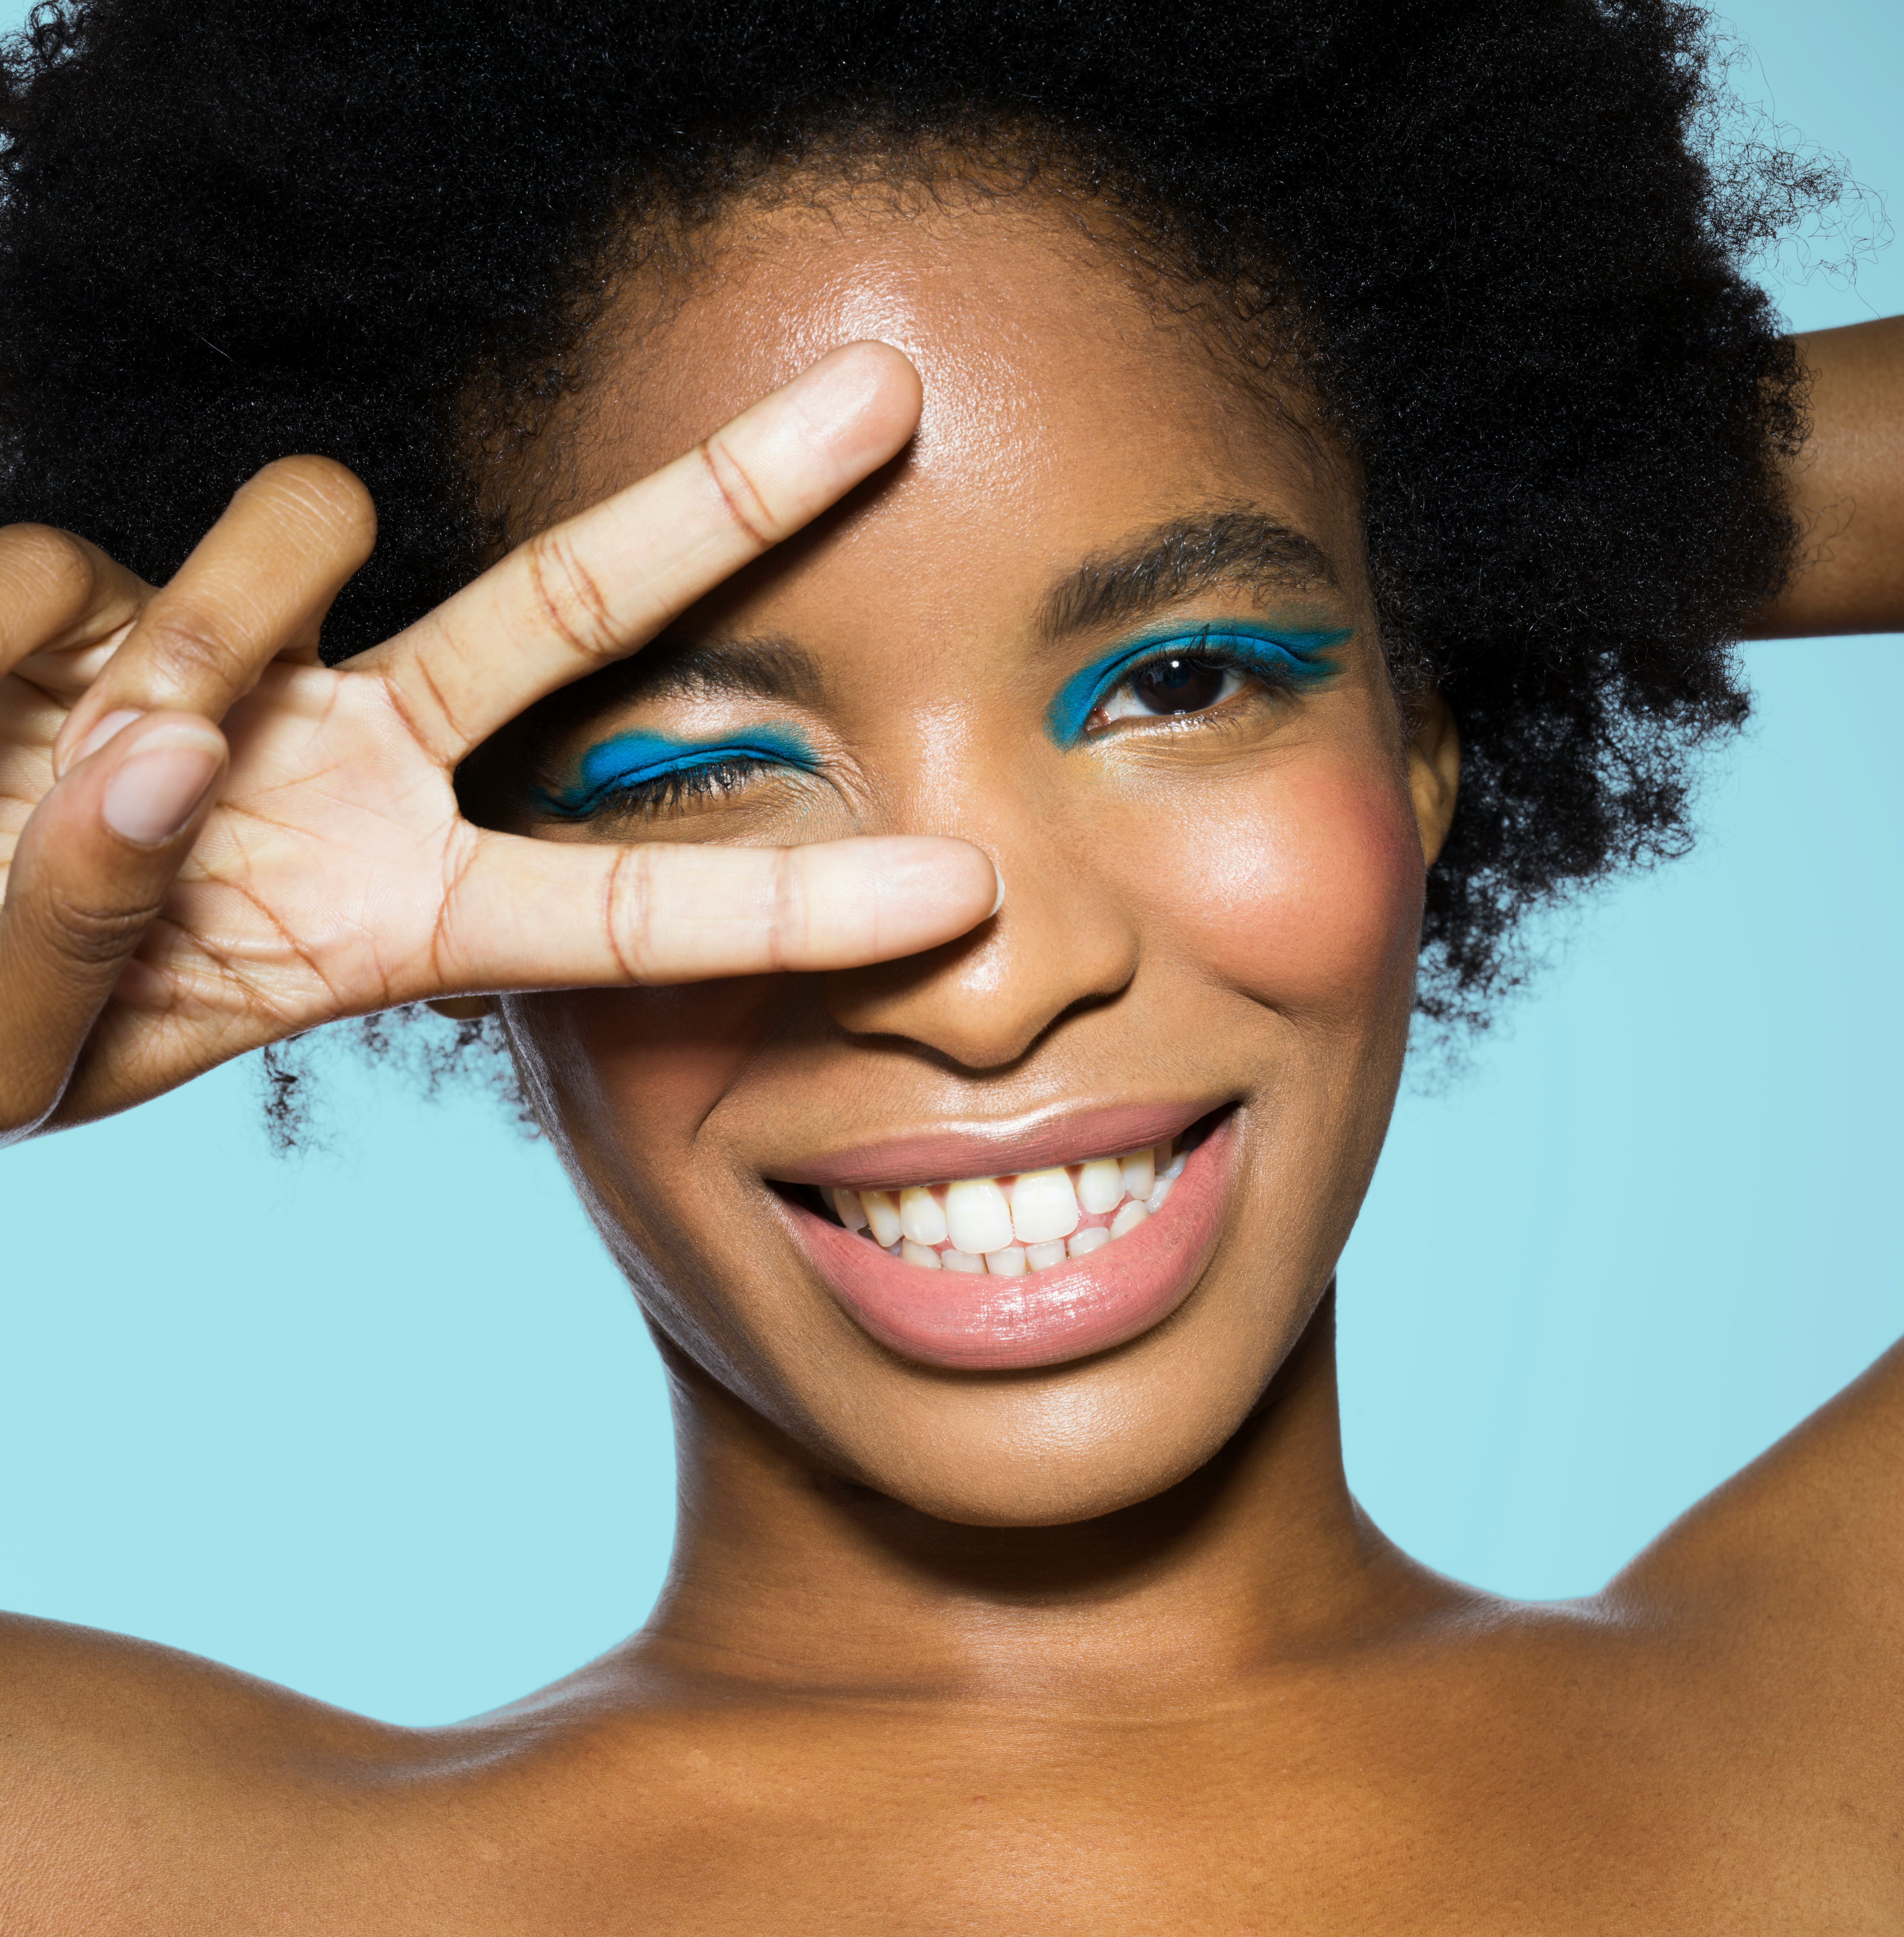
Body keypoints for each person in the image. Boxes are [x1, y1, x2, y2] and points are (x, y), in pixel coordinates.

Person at [1, 0, 1900, 1925]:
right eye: (701, 767)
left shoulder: (1847, 1723)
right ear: (469, 885)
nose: (987, 987)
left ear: (1422, 737)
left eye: (1182, 677)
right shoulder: (123, 1867)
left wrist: (1556, 509)